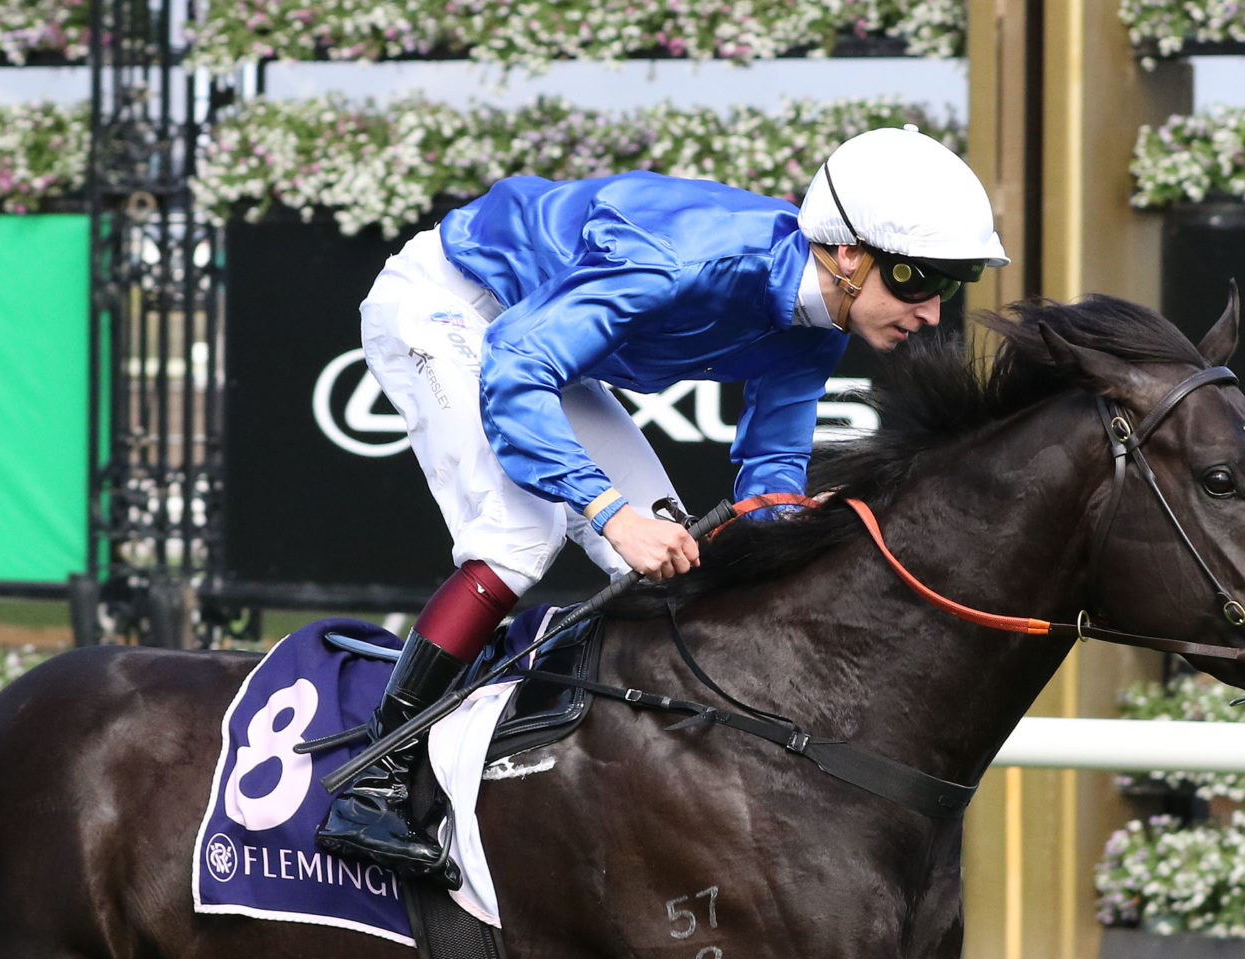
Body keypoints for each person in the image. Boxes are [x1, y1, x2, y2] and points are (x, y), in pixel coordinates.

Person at [317, 125, 1010, 879]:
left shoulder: (818, 327)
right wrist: (610, 512)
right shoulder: (686, 261)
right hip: (452, 302)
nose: (931, 312)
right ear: (848, 255)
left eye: (948, 286)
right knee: (521, 533)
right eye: (916, 280)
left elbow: (770, 476)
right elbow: (515, 368)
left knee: (676, 556)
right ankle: (373, 779)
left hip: (537, 333)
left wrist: (804, 534)